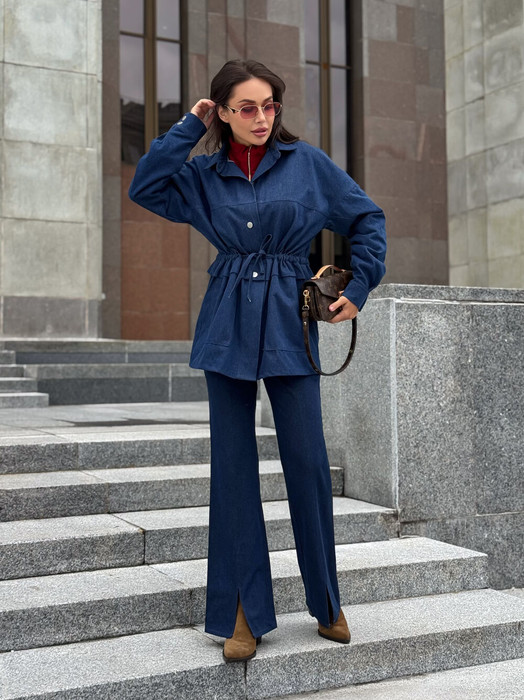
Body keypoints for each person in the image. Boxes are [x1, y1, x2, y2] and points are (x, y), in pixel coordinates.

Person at [129, 59, 386, 662]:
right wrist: (189, 127)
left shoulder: (308, 165)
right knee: (233, 467)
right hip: (227, 319)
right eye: (246, 108)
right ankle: (242, 609)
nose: (262, 118)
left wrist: (361, 285)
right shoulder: (202, 174)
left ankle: (326, 599)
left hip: (291, 319)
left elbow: (366, 217)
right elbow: (145, 186)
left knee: (308, 461)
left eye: (269, 105)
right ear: (222, 112)